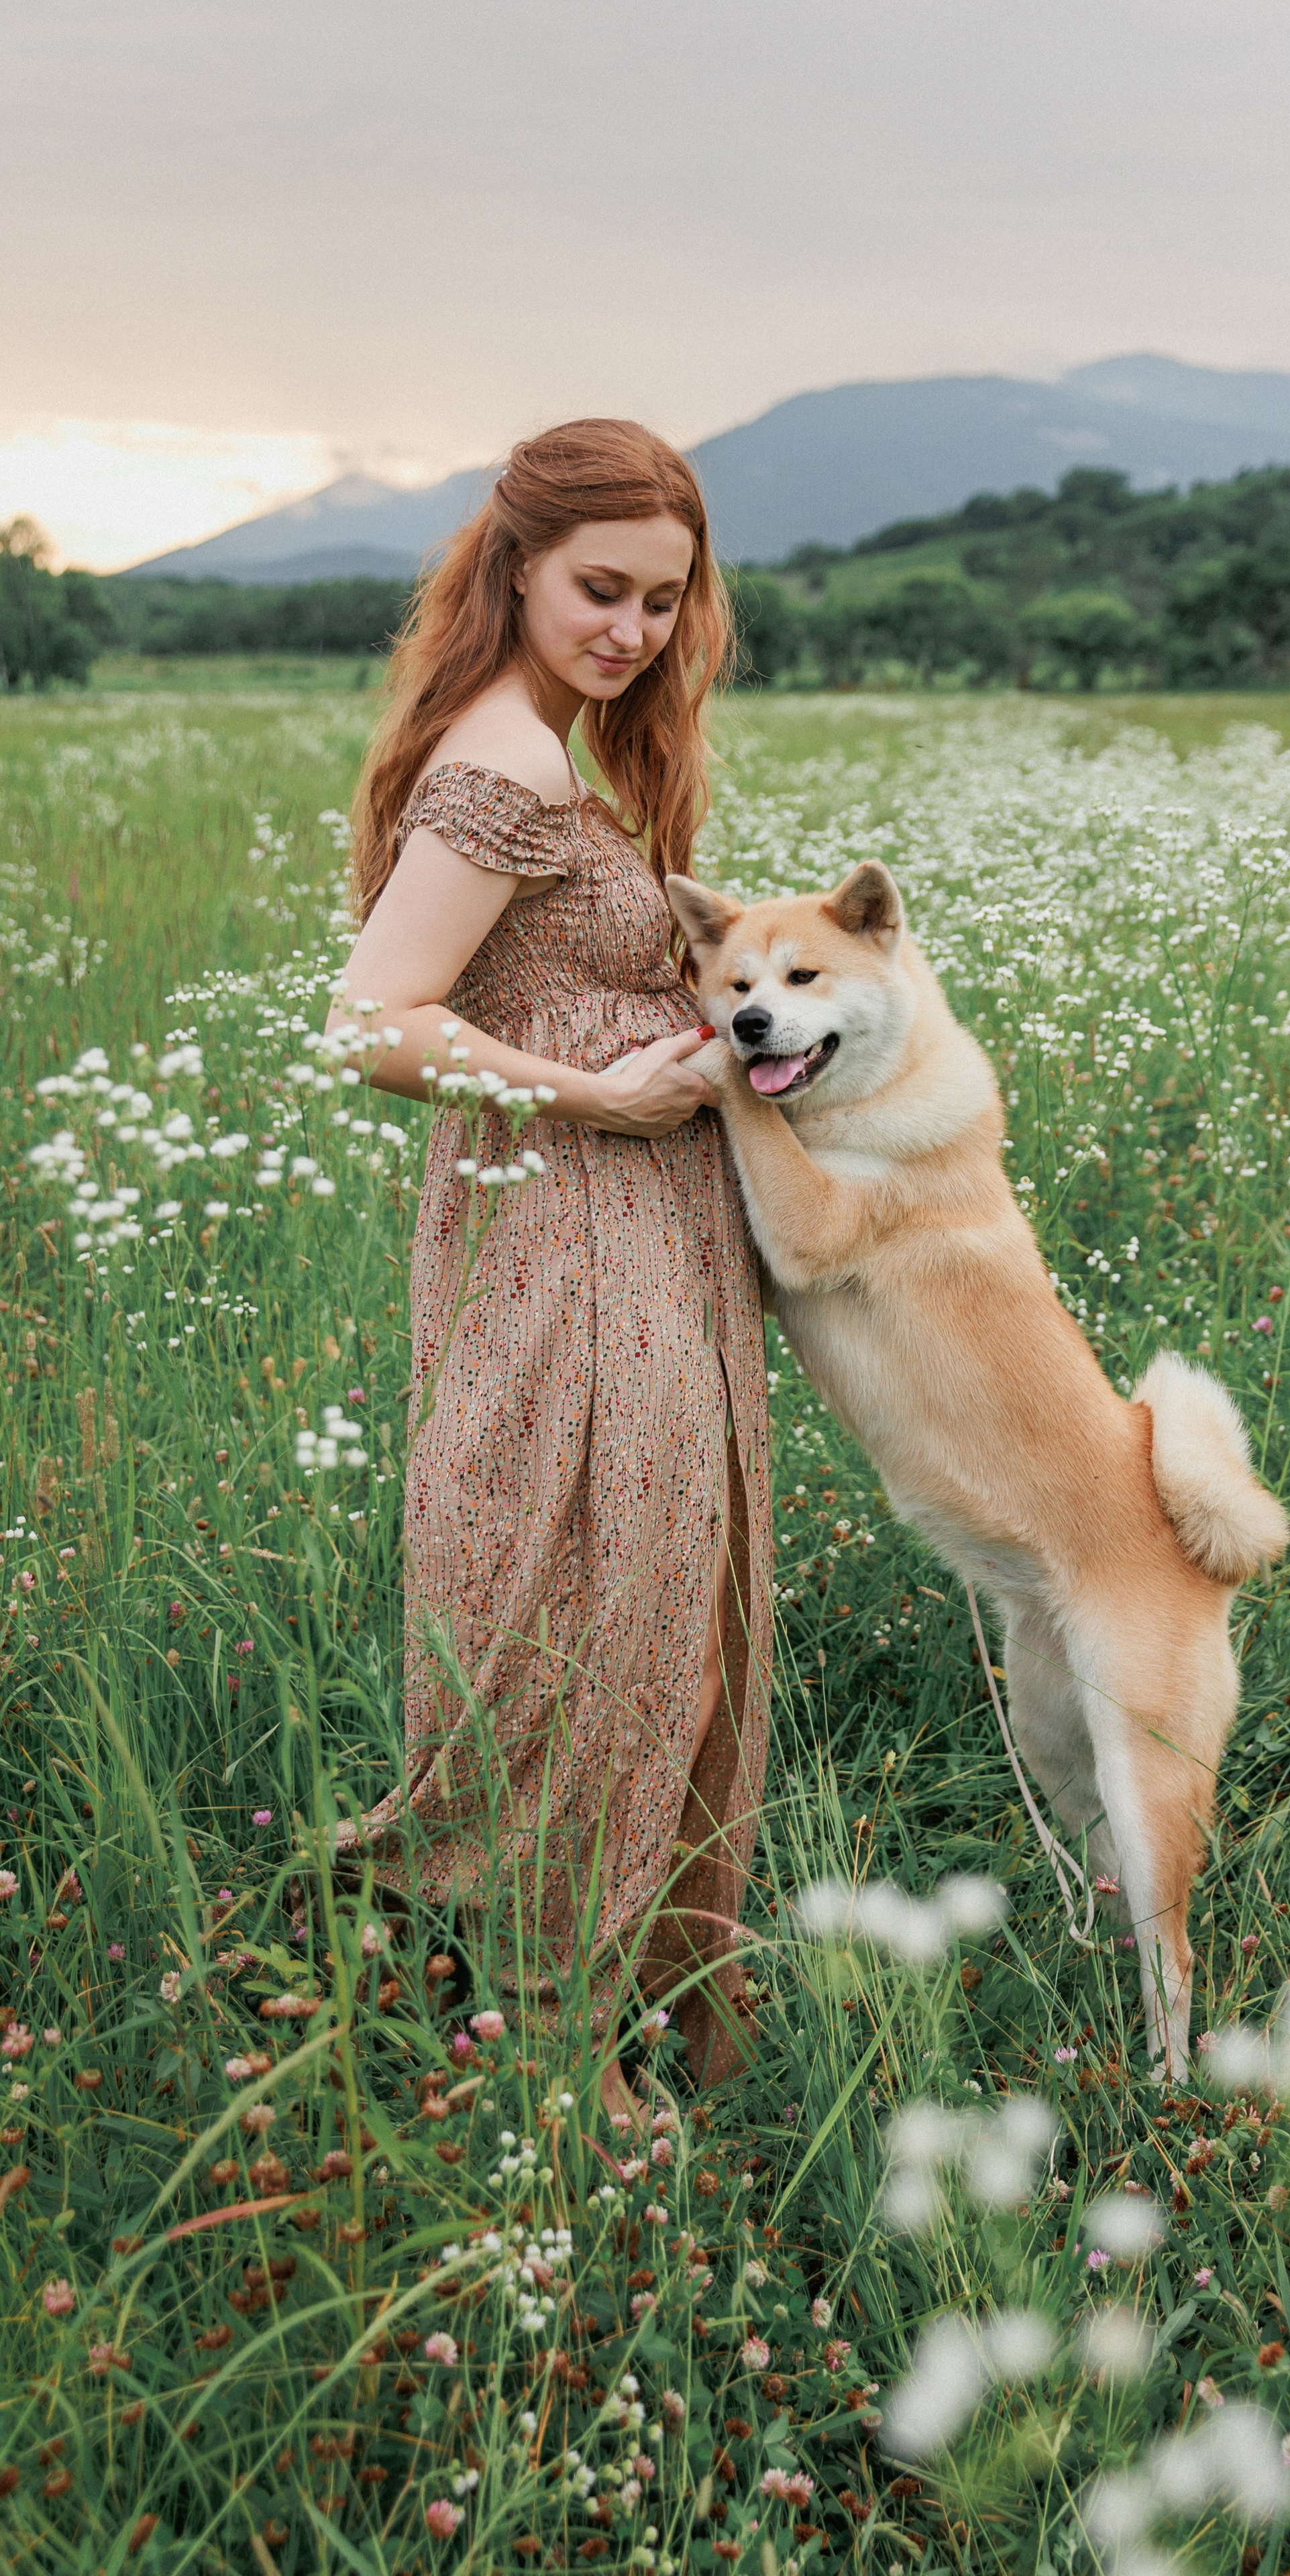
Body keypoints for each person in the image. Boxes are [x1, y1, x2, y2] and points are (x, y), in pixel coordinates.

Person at [331, 419, 771, 2111]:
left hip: (616, 1235)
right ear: (514, 565)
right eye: (601, 589)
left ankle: (560, 2001)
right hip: (573, 1243)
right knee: (598, 1606)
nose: (632, 631)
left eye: (664, 601)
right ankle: (547, 2036)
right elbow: (373, 1025)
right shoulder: (505, 762)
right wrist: (601, 1092)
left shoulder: (548, 743)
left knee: (638, 1598)